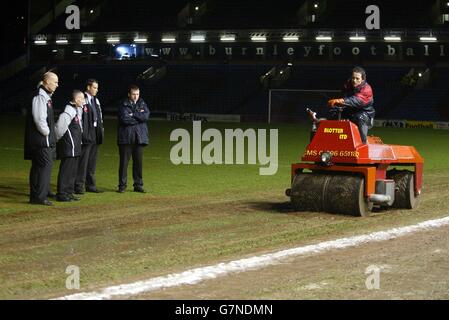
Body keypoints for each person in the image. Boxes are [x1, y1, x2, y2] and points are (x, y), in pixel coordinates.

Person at [24, 72, 59, 206]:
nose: (57, 85)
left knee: (39, 168)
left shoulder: (45, 96)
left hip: (40, 139)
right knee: (44, 166)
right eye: (55, 82)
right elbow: (39, 119)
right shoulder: (40, 97)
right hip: (41, 140)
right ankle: (39, 196)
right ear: (46, 81)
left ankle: (37, 195)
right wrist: (47, 133)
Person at [327, 66, 375, 144]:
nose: (354, 80)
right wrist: (335, 104)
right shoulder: (347, 85)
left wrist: (340, 100)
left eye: (357, 79)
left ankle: (363, 143)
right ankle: (331, 143)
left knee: (360, 117)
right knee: (334, 113)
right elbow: (342, 97)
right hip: (349, 112)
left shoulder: (367, 89)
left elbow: (355, 100)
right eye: (353, 78)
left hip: (365, 115)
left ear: (362, 79)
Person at [117, 85, 150, 193]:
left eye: (137, 94)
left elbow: (146, 116)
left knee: (138, 163)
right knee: (124, 164)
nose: (135, 96)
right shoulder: (123, 104)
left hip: (139, 138)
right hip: (126, 138)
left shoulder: (142, 103)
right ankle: (122, 186)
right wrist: (139, 117)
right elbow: (125, 119)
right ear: (129, 94)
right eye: (133, 94)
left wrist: (133, 115)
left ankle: (138, 185)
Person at [74, 79, 104, 194]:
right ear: (88, 87)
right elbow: (79, 116)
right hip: (87, 133)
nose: (96, 90)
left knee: (92, 160)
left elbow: (99, 116)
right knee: (83, 161)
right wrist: (81, 133)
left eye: (97, 88)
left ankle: (90, 185)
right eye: (95, 87)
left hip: (95, 132)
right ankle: (79, 185)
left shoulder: (96, 100)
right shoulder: (83, 99)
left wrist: (101, 129)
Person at [55, 90, 84, 202]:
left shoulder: (76, 109)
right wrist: (57, 140)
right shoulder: (69, 110)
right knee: (66, 170)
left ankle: (69, 192)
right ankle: (62, 193)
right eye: (81, 98)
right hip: (69, 145)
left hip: (75, 145)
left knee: (72, 170)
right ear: (76, 99)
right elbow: (60, 127)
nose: (83, 100)